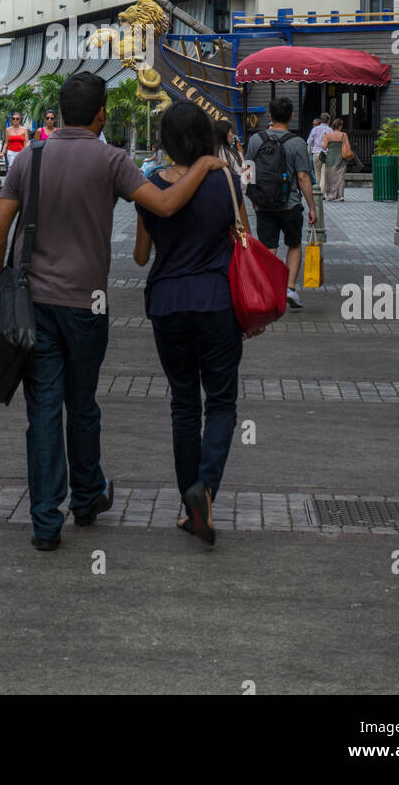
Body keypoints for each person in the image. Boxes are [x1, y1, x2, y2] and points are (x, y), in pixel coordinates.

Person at [0, 71, 226, 551]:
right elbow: (162, 204)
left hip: (33, 305)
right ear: (101, 114)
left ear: (60, 108)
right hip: (86, 306)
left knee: (44, 412)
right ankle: (88, 496)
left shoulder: (30, 157)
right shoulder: (111, 159)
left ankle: (45, 523)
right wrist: (203, 166)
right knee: (84, 405)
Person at [134, 102, 249, 545]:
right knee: (220, 402)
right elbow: (244, 238)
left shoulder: (150, 184)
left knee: (184, 404)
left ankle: (190, 507)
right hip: (218, 302)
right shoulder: (225, 179)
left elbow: (142, 256)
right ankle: (207, 491)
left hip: (167, 304)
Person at [243, 97, 316, 312]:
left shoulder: (256, 139)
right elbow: (303, 177)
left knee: (268, 247)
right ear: (291, 116)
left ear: (270, 115)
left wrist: (254, 199)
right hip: (291, 205)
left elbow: (246, 172)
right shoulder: (297, 142)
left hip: (264, 205)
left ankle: (268, 288)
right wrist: (312, 207)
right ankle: (290, 288)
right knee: (294, 244)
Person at [322, 117, 353, 202]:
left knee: (330, 176)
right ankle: (341, 196)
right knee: (341, 176)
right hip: (341, 157)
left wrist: (323, 140)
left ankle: (330, 196)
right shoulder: (343, 135)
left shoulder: (328, 135)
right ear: (339, 126)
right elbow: (348, 147)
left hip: (330, 158)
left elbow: (324, 147)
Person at [307, 113, 331, 191]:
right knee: (324, 174)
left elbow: (309, 142)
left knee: (317, 174)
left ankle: (317, 191)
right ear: (329, 121)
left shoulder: (315, 129)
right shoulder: (330, 130)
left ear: (321, 120)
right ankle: (322, 192)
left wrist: (316, 144)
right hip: (326, 153)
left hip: (316, 152)